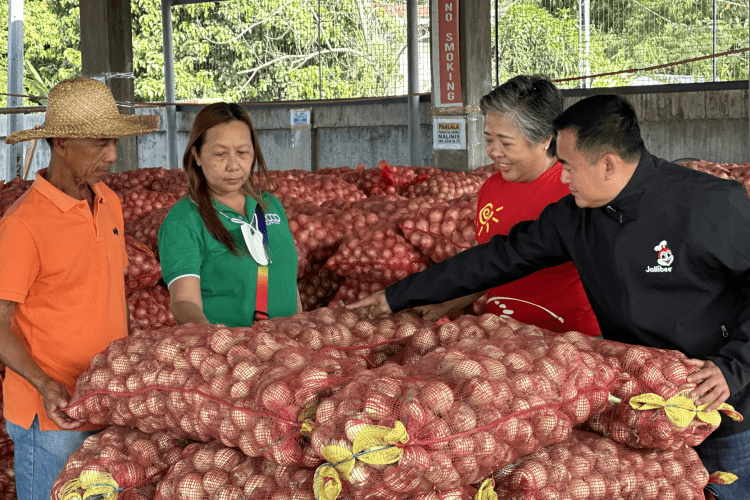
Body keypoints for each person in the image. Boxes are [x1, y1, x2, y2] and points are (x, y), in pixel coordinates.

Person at [350, 94, 750, 498]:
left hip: (718, 403)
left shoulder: (710, 204)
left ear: (608, 163)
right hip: (635, 404)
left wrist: (733, 367)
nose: (561, 178)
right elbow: (499, 257)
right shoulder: (575, 217)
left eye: (569, 166)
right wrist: (395, 297)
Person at [0, 77, 159, 500]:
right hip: (52, 418)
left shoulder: (109, 201)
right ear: (62, 142)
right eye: (100, 143)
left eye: (114, 142)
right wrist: (44, 383)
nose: (113, 155)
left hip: (104, 401)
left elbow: (110, 293)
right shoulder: (22, 225)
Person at [415, 75, 600, 336]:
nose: (494, 151)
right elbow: (487, 269)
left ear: (546, 139)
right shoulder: (491, 188)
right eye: (489, 139)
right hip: (504, 342)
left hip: (570, 342)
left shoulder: (576, 190)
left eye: (506, 142)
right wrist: (443, 302)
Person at [158, 102, 301, 327]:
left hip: (287, 352)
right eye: (220, 154)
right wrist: (215, 341)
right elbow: (184, 302)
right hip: (234, 355)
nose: (233, 165)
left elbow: (289, 283)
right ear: (197, 155)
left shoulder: (269, 205)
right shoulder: (185, 221)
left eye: (242, 152)